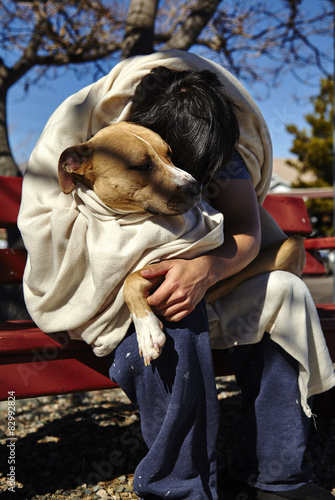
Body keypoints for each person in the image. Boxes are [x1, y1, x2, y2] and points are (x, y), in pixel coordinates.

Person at [18, 50, 335, 499]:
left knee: (285, 292)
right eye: (155, 159)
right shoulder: (105, 139)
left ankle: (275, 477)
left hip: (216, 281)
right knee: (171, 316)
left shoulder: (217, 142)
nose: (185, 178)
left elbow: (246, 228)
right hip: (120, 299)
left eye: (193, 164)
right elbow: (54, 233)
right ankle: (179, 488)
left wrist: (206, 267)